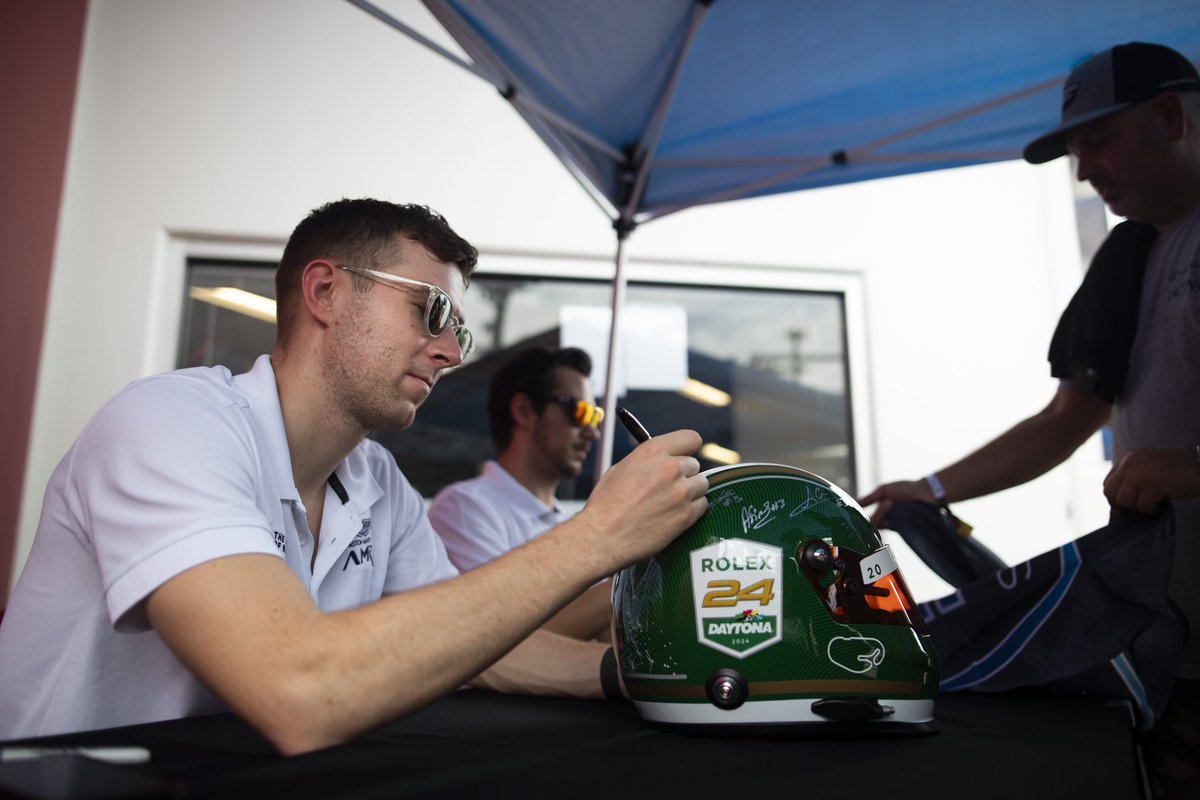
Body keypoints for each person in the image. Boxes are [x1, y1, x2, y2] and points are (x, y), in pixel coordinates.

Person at [0, 199, 709, 754]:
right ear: (326, 291)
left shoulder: (376, 482)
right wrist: (599, 538)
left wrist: (643, 677)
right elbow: (298, 689)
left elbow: (478, 646)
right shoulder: (166, 423)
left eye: (459, 331)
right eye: (431, 312)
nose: (450, 353)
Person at [858, 42, 1200, 797]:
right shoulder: (1131, 256)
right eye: (1076, 152)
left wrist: (1186, 468)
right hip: (1170, 641)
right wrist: (933, 488)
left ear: (1171, 116)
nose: (1084, 171)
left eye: (1099, 141)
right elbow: (1067, 418)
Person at [428, 346, 611, 641]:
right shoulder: (464, 509)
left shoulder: (568, 523)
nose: (593, 432)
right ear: (524, 410)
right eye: (580, 412)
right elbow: (503, 639)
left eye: (595, 415)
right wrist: (622, 585)